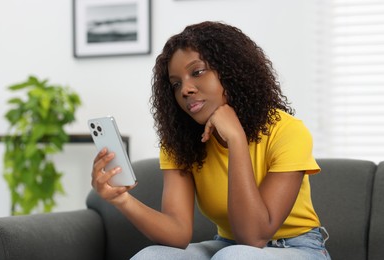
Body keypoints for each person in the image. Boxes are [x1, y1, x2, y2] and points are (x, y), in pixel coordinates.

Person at [91, 21, 331, 260]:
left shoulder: (287, 131)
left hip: (296, 248)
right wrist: (121, 199)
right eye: (176, 84)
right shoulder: (180, 141)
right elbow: (177, 233)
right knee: (151, 256)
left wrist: (235, 138)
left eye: (197, 72)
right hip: (227, 246)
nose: (185, 90)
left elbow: (254, 237)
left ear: (231, 71)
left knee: (236, 257)